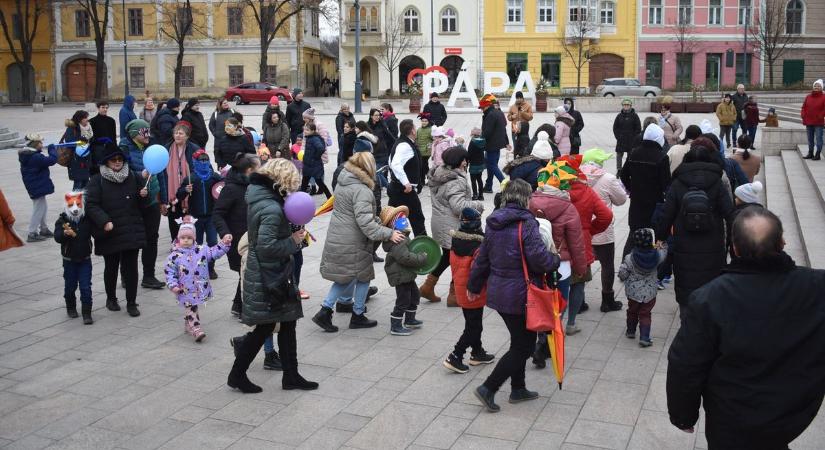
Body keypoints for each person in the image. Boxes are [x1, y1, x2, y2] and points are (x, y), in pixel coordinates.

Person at [666, 207, 825, 449]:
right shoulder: (817, 286)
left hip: (732, 420)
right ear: (782, 242)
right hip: (792, 413)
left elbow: (685, 365)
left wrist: (683, 415)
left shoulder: (710, 299)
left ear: (735, 249)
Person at [468, 179, 560, 412]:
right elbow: (539, 260)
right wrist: (556, 260)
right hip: (522, 294)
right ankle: (489, 387)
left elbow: (483, 259)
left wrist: (474, 285)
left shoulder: (494, 222)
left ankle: (518, 388)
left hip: (500, 293)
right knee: (524, 347)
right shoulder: (527, 223)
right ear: (526, 199)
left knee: (518, 340)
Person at [227, 159, 317, 394]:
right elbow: (266, 246)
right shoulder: (271, 207)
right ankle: (237, 375)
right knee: (265, 328)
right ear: (282, 180)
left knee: (287, 323)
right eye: (292, 183)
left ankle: (291, 375)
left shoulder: (264, 199)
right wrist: (293, 241)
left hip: (272, 273)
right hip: (270, 275)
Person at [313, 152, 404, 332]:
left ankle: (354, 313)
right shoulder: (362, 190)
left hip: (342, 236)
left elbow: (362, 217)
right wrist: (389, 233)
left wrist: (381, 222)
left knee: (360, 277)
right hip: (353, 241)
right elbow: (366, 224)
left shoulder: (343, 182)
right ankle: (330, 311)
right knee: (351, 277)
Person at [654, 138, 733, 316]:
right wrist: (731, 243)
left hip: (684, 244)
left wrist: (660, 237)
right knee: (711, 285)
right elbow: (730, 213)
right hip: (713, 244)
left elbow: (666, 215)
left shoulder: (677, 182)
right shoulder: (717, 182)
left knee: (686, 284)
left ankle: (687, 323)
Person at [527, 163, 587, 367]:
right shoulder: (568, 208)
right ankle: (547, 344)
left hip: (535, 263)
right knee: (557, 308)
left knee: (538, 303)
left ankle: (539, 340)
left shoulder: (530, 202)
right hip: (561, 267)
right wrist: (581, 268)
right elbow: (577, 243)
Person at [85, 141, 149, 317]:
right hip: (110, 231)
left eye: (120, 159)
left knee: (131, 268)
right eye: (113, 160)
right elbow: (91, 205)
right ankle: (111, 298)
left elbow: (142, 205)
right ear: (106, 162)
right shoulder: (97, 180)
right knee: (111, 267)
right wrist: (104, 221)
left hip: (130, 229)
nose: (117, 162)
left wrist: (143, 196)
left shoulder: (133, 177)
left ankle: (131, 302)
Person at [422, 147, 485, 305]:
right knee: (458, 258)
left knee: (448, 257)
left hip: (441, 221)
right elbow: (458, 206)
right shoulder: (455, 180)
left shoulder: (441, 174)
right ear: (458, 161)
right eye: (463, 159)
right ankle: (453, 295)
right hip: (451, 224)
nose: (465, 162)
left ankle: (428, 287)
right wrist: (477, 204)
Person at [558, 155, 613, 333]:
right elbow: (606, 215)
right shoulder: (587, 191)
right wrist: (589, 230)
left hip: (559, 243)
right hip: (581, 242)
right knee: (578, 285)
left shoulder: (554, 188)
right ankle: (571, 323)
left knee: (560, 285)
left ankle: (556, 323)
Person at [443, 207, 496, 373]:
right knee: (474, 327)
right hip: (473, 291)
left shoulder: (456, 241)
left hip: (460, 289)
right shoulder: (478, 246)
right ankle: (456, 355)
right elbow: (478, 271)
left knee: (473, 323)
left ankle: (477, 352)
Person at [165, 216, 230, 342]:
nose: (186, 240)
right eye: (183, 238)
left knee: (191, 307)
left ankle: (188, 324)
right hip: (184, 288)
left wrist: (224, 243)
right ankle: (196, 328)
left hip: (199, 286)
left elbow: (214, 252)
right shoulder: (174, 256)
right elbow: (170, 272)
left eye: (189, 238)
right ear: (178, 238)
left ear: (194, 238)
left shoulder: (201, 250)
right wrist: (173, 285)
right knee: (191, 306)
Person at [119, 119, 165, 290]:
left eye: (148, 132)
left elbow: (161, 174)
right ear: (134, 134)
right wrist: (140, 175)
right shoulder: (124, 149)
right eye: (143, 132)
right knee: (131, 240)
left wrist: (164, 200)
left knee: (151, 239)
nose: (147, 136)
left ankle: (149, 275)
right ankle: (126, 275)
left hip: (152, 201)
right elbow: (122, 173)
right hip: (133, 203)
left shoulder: (152, 148)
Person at [580, 149, 627, 312]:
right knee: (607, 265)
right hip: (603, 229)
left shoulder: (575, 178)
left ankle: (579, 301)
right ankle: (607, 301)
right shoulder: (608, 179)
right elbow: (621, 199)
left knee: (582, 264)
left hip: (581, 230)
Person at [214, 154, 260, 318]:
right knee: (247, 272)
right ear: (249, 171)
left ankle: (238, 304)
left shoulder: (254, 185)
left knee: (247, 272)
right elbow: (218, 214)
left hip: (253, 237)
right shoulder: (232, 188)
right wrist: (225, 233)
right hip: (238, 240)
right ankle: (244, 309)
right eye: (258, 167)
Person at [620, 124, 671, 257]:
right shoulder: (662, 157)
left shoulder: (633, 153)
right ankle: (649, 266)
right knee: (652, 234)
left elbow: (624, 175)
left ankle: (626, 263)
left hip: (636, 201)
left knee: (633, 233)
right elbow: (666, 183)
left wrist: (632, 188)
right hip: (654, 203)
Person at [380, 207, 427, 335]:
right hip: (400, 275)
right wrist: (421, 258)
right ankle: (395, 326)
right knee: (403, 300)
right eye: (401, 220)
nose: (405, 221)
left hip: (406, 273)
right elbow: (404, 257)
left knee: (414, 295)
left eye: (405, 219)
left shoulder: (402, 235)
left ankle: (410, 320)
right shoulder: (398, 239)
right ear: (394, 224)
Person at [176, 150, 223, 279]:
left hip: (211, 217)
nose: (203, 163)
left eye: (205, 160)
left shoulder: (214, 177)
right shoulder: (191, 178)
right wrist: (185, 190)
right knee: (197, 243)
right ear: (195, 162)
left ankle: (211, 268)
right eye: (200, 160)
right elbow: (179, 195)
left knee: (213, 242)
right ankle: (198, 268)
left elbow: (223, 187)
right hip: (195, 217)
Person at [618, 228, 667, 347]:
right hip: (650, 293)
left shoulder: (630, 258)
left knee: (632, 311)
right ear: (651, 242)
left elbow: (623, 273)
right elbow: (664, 253)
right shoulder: (657, 256)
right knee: (645, 313)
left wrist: (622, 276)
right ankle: (645, 337)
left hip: (633, 293)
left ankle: (630, 331)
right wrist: (663, 246)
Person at [54, 191, 95, 324]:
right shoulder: (62, 221)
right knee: (70, 286)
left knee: (85, 287)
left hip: (85, 259)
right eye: (71, 205)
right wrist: (65, 234)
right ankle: (71, 307)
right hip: (69, 261)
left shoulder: (87, 219)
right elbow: (57, 237)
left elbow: (96, 232)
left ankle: (87, 313)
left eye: (78, 204)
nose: (75, 208)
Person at [388, 119, 426, 237]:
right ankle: (422, 246)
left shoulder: (402, 143)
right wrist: (406, 183)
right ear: (413, 131)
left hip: (398, 189)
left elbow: (390, 162)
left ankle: (401, 244)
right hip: (404, 191)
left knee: (398, 218)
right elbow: (395, 164)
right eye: (415, 128)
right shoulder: (405, 145)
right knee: (417, 218)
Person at [160, 122, 198, 238]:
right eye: (175, 133)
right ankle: (175, 245)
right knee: (174, 223)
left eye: (181, 133)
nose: (177, 135)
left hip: (189, 192)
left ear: (187, 136)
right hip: (172, 193)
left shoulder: (194, 149)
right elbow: (161, 172)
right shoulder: (167, 148)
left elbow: (199, 168)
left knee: (188, 225)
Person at [18, 134, 57, 242]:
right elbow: (52, 160)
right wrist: (52, 149)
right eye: (40, 142)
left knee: (43, 207)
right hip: (36, 185)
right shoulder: (35, 157)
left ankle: (44, 229)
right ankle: (32, 233)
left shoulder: (30, 155)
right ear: (35, 144)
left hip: (36, 184)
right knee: (38, 209)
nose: (42, 144)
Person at [480, 94, 508, 193]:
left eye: (482, 108)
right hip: (498, 143)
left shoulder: (490, 115)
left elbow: (487, 131)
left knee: (491, 165)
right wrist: (506, 141)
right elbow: (504, 127)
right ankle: (488, 186)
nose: (481, 110)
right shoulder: (498, 112)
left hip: (491, 144)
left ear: (487, 106)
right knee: (492, 164)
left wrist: (480, 139)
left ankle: (505, 184)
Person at [63, 110, 94, 190]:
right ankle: (74, 202)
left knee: (86, 184)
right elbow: (69, 142)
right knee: (78, 184)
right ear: (79, 119)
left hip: (86, 159)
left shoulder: (88, 128)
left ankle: (84, 201)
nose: (87, 119)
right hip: (75, 160)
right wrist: (81, 140)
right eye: (85, 118)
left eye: (87, 117)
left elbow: (90, 141)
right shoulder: (72, 128)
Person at [300, 122, 332, 198]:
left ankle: (329, 196)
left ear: (313, 131)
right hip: (308, 165)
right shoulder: (309, 138)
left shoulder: (314, 139)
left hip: (314, 165)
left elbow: (321, 148)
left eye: (307, 130)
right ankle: (301, 198)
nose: (305, 131)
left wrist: (316, 157)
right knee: (304, 182)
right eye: (305, 130)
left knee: (319, 181)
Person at [613, 98, 642, 172]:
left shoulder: (635, 116)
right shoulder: (619, 116)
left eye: (627, 105)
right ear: (622, 106)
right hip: (621, 139)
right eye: (624, 105)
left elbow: (638, 128)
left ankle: (628, 169)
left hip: (631, 140)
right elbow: (615, 127)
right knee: (619, 155)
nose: (626, 106)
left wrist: (634, 138)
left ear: (630, 106)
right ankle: (619, 170)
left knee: (630, 155)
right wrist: (618, 136)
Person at [801, 79, 825, 160]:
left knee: (818, 138)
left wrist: (821, 115)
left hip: (818, 122)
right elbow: (804, 107)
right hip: (809, 121)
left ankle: (817, 154)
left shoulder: (824, 97)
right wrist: (803, 114)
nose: (816, 87)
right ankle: (810, 153)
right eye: (815, 86)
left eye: (818, 86)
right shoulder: (808, 96)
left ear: (822, 87)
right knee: (810, 138)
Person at [415, 113, 434, 188]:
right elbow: (416, 138)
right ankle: (424, 179)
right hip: (420, 151)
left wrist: (430, 146)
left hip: (426, 152)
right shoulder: (419, 130)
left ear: (428, 122)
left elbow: (433, 139)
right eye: (423, 121)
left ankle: (425, 179)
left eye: (426, 121)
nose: (424, 122)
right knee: (422, 166)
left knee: (423, 165)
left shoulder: (430, 130)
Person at [467, 128, 486, 200]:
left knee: (473, 180)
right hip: (481, 163)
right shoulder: (483, 141)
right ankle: (481, 195)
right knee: (479, 179)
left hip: (474, 164)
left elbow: (469, 153)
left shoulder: (472, 142)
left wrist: (467, 160)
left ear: (473, 135)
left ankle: (475, 195)